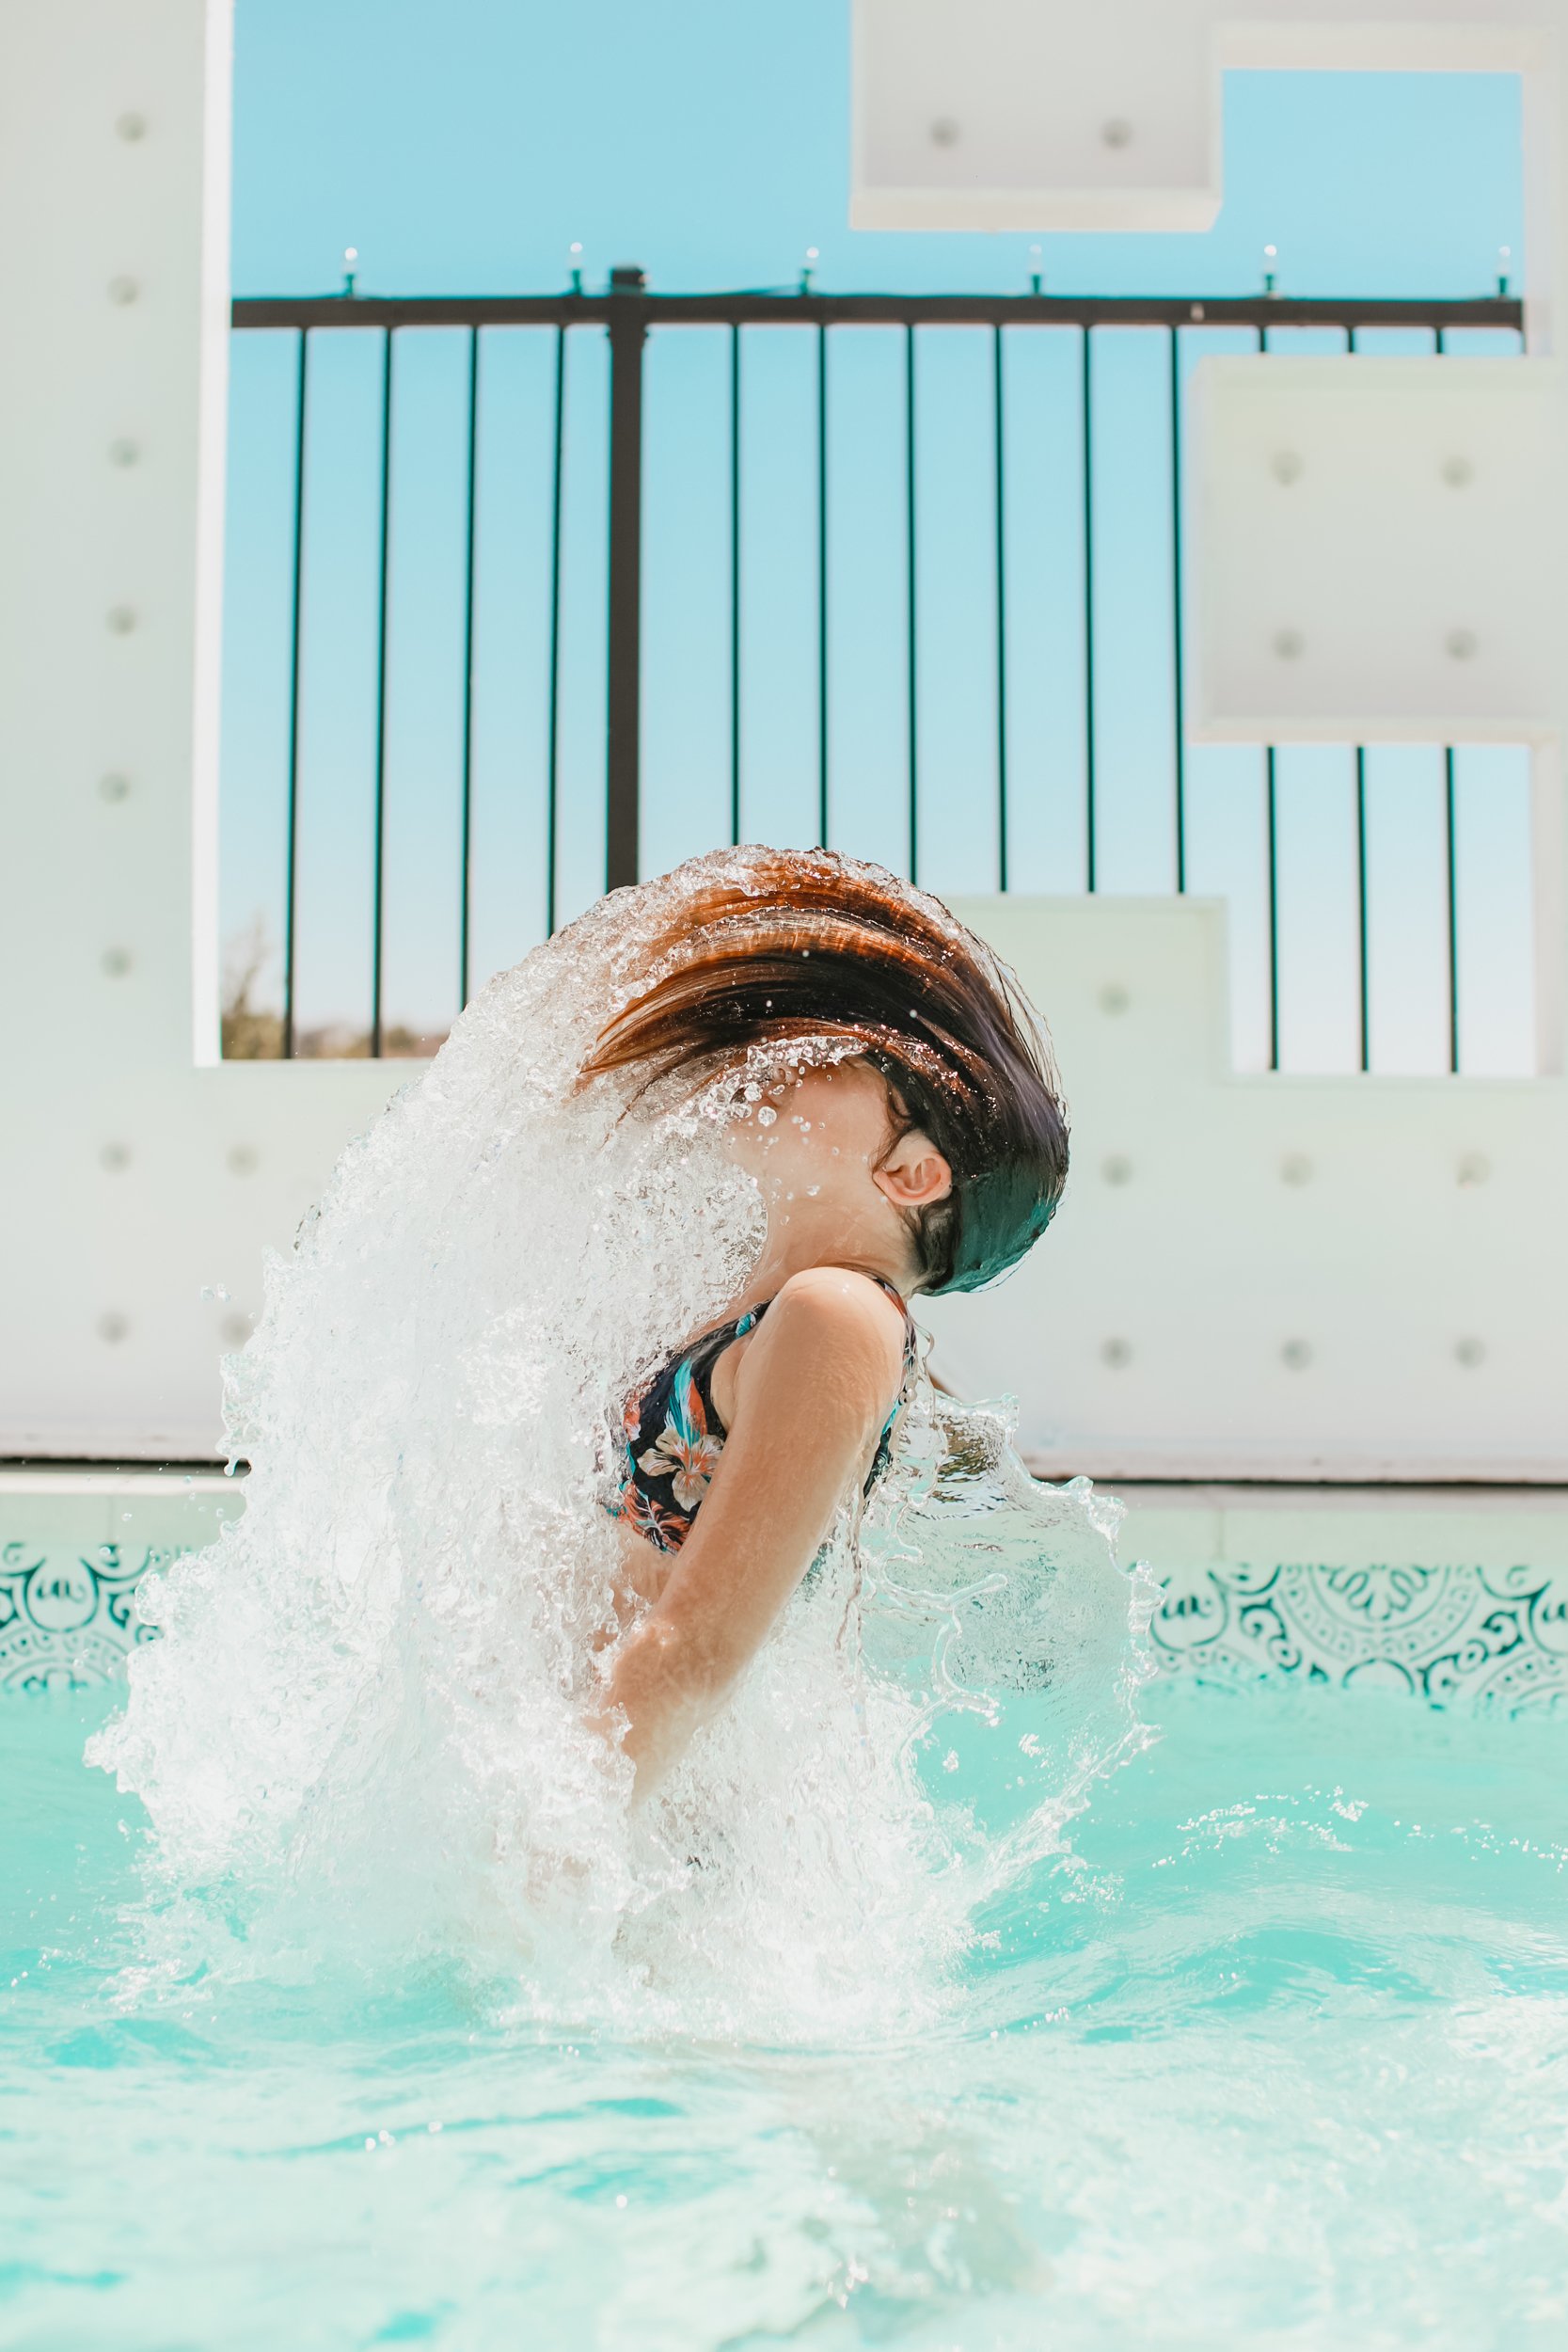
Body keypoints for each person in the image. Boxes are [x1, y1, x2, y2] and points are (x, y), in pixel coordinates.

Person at [586, 850, 1069, 1800]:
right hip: (621, 1816)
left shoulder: (838, 1313)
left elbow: (692, 1651)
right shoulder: (751, 1311)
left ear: (912, 1172)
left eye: (845, 1062)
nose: (793, 1060)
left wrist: (539, 1854)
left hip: (633, 1844)